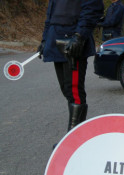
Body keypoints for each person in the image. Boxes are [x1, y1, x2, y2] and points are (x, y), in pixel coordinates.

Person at [37, 0, 104, 132]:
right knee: (67, 90)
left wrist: (79, 36)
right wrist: (45, 39)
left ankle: (74, 140)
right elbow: (51, 14)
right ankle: (74, 139)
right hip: (56, 40)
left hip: (73, 43)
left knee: (74, 92)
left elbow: (92, 8)